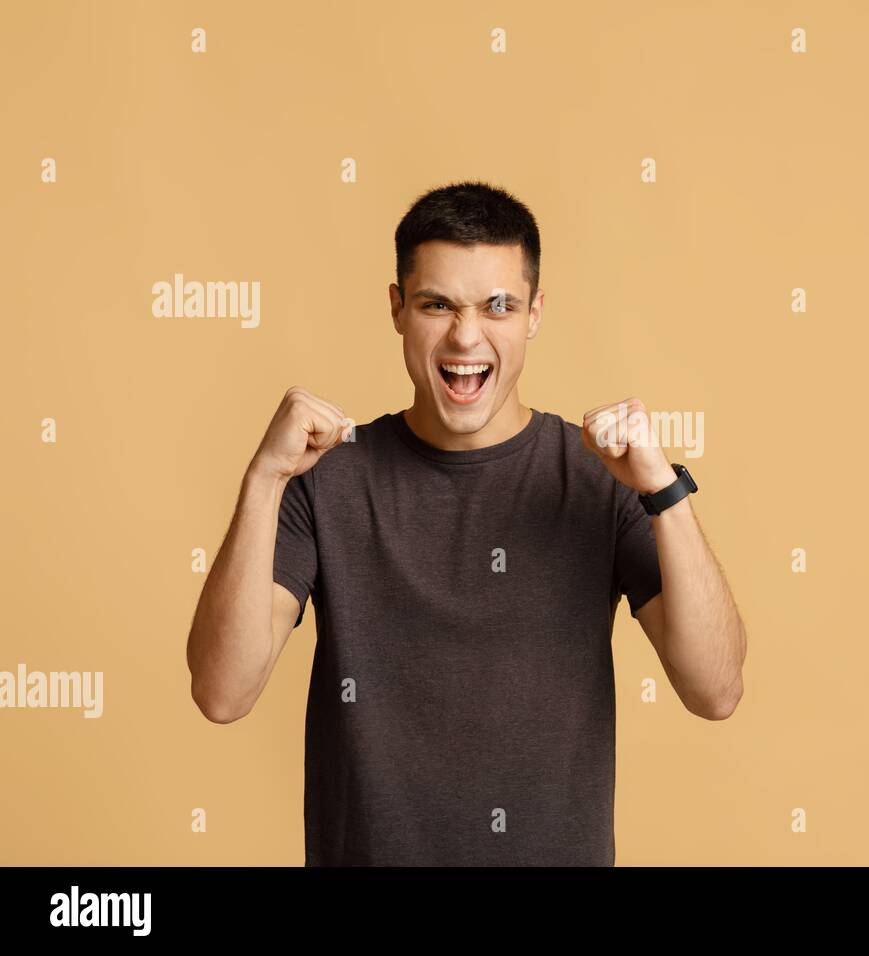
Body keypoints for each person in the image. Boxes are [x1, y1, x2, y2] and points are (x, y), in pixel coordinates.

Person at [185, 180, 747, 865]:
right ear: (397, 308)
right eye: (436, 305)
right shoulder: (324, 478)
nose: (465, 334)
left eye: (498, 306)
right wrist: (263, 478)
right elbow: (222, 691)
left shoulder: (605, 476)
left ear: (535, 313)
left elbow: (715, 689)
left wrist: (664, 489)